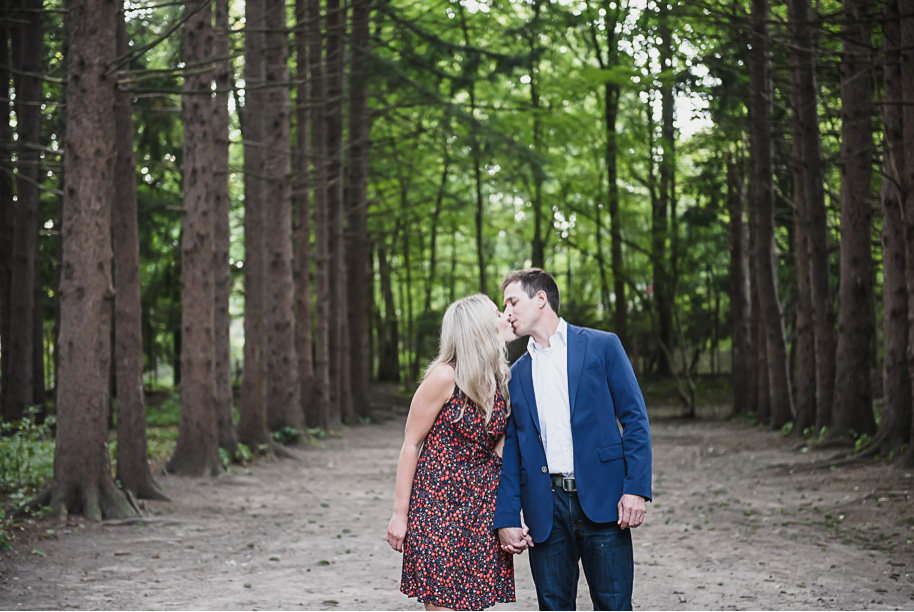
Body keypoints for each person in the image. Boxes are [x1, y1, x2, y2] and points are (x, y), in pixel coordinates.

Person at [494, 268, 652, 611]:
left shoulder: (602, 346)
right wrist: (506, 516)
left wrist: (635, 489)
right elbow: (514, 451)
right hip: (545, 510)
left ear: (541, 299)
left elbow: (635, 419)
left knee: (614, 605)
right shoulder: (516, 374)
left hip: (604, 501)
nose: (507, 312)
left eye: (512, 301)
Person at [386, 294, 519, 611]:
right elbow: (410, 444)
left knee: (473, 604)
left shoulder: (501, 380)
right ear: (481, 327)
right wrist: (399, 515)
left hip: (481, 508)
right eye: (498, 312)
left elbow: (501, 444)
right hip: (438, 509)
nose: (506, 316)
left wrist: (508, 513)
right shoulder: (445, 377)